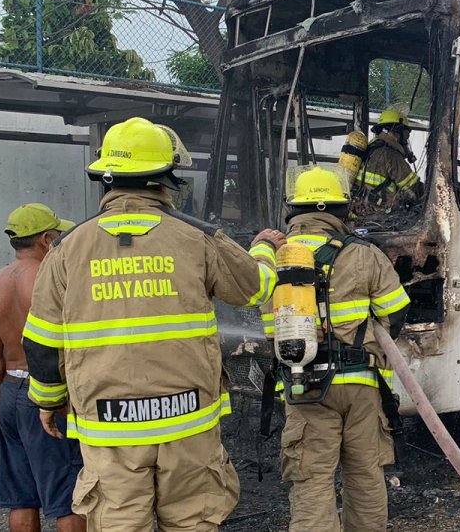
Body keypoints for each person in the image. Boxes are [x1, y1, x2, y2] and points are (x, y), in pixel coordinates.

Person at [21, 117, 281, 531]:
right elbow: (256, 286)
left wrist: (49, 403)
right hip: (188, 424)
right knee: (193, 521)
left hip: (110, 429)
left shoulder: (67, 249)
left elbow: (42, 342)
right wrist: (265, 248)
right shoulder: (199, 237)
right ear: (165, 180)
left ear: (107, 179)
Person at [265, 166, 411, 531]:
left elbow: (270, 329)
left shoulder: (278, 260)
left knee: (312, 480)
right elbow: (396, 313)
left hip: (304, 386)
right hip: (361, 383)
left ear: (295, 209)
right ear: (340, 209)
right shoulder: (365, 254)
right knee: (365, 474)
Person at [0, 204, 84, 532]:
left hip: (11, 391)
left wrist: (1, 396)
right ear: (45, 240)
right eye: (57, 236)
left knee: (22, 496)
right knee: (68, 494)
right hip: (48, 393)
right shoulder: (49, 281)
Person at [354, 106, 422, 207]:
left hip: (359, 207)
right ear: (395, 132)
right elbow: (415, 189)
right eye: (405, 135)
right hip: (379, 212)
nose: (405, 140)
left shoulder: (370, 148)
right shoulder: (391, 155)